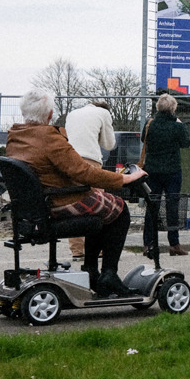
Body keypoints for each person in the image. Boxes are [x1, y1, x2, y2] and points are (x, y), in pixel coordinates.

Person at [6, 89, 148, 297]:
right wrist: (123, 179)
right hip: (60, 201)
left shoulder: (15, 136)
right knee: (119, 209)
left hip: (33, 208)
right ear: (49, 114)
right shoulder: (48, 138)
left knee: (101, 211)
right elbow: (83, 172)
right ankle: (109, 273)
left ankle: (91, 272)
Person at [64, 100, 117, 261]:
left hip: (69, 161)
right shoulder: (104, 113)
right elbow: (109, 144)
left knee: (74, 203)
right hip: (90, 161)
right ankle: (97, 248)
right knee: (96, 204)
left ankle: (77, 250)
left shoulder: (72, 114)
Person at [141, 94, 190, 257]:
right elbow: (186, 143)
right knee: (172, 207)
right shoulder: (176, 126)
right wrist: (180, 125)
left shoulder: (150, 124)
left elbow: (144, 140)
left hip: (152, 171)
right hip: (172, 171)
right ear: (173, 108)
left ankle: (149, 244)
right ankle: (174, 244)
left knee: (152, 207)